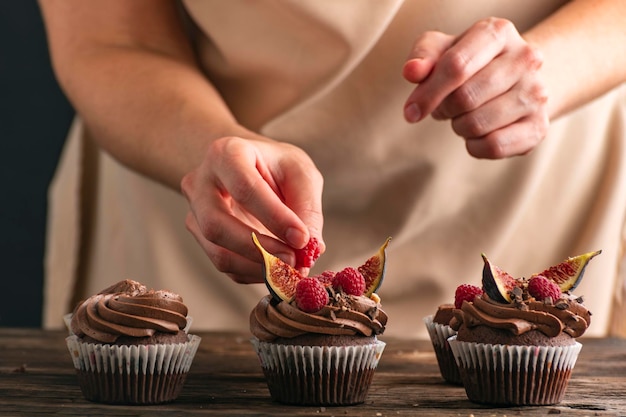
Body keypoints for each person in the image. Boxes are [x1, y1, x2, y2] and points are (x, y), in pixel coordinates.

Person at [38, 0, 626, 339]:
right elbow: (110, 38)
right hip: (189, 201)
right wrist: (206, 147)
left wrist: (557, 67)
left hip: (533, 197)